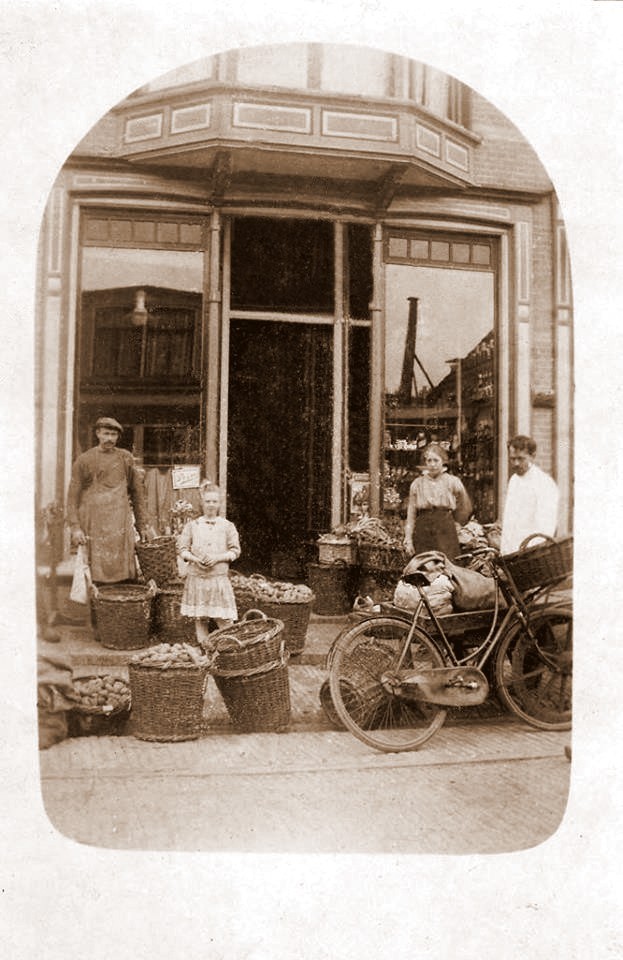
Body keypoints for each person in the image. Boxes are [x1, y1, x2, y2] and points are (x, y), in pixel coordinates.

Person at [66, 417, 148, 583]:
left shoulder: (125, 458)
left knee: (125, 576)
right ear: (98, 433)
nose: (110, 438)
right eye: (106, 433)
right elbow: (72, 497)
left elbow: (137, 493)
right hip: (94, 524)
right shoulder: (84, 460)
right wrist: (75, 528)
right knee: (96, 576)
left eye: (113, 435)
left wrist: (143, 525)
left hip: (120, 524)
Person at [177, 480, 241, 649]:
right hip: (197, 579)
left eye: (214, 501)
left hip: (218, 579)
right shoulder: (193, 526)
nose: (211, 505)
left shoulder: (227, 526)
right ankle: (205, 651)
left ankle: (228, 652)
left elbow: (235, 551)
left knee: (225, 620)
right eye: (207, 501)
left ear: (219, 503)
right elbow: (182, 550)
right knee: (201, 619)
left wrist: (218, 558)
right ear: (202, 503)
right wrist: (194, 559)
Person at [403, 442, 472, 560]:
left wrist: (457, 523)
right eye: (429, 460)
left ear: (443, 461)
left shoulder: (453, 482)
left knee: (447, 564)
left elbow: (465, 506)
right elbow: (411, 514)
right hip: (423, 529)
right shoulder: (417, 484)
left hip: (445, 528)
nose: (432, 464)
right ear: (425, 462)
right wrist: (408, 538)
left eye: (436, 460)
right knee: (424, 564)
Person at [500, 435, 559, 554]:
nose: (516, 463)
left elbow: (545, 527)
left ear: (532, 456)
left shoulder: (544, 483)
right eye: (512, 459)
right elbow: (508, 520)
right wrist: (504, 551)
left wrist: (530, 553)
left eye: (521, 459)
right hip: (511, 554)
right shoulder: (514, 480)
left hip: (531, 555)